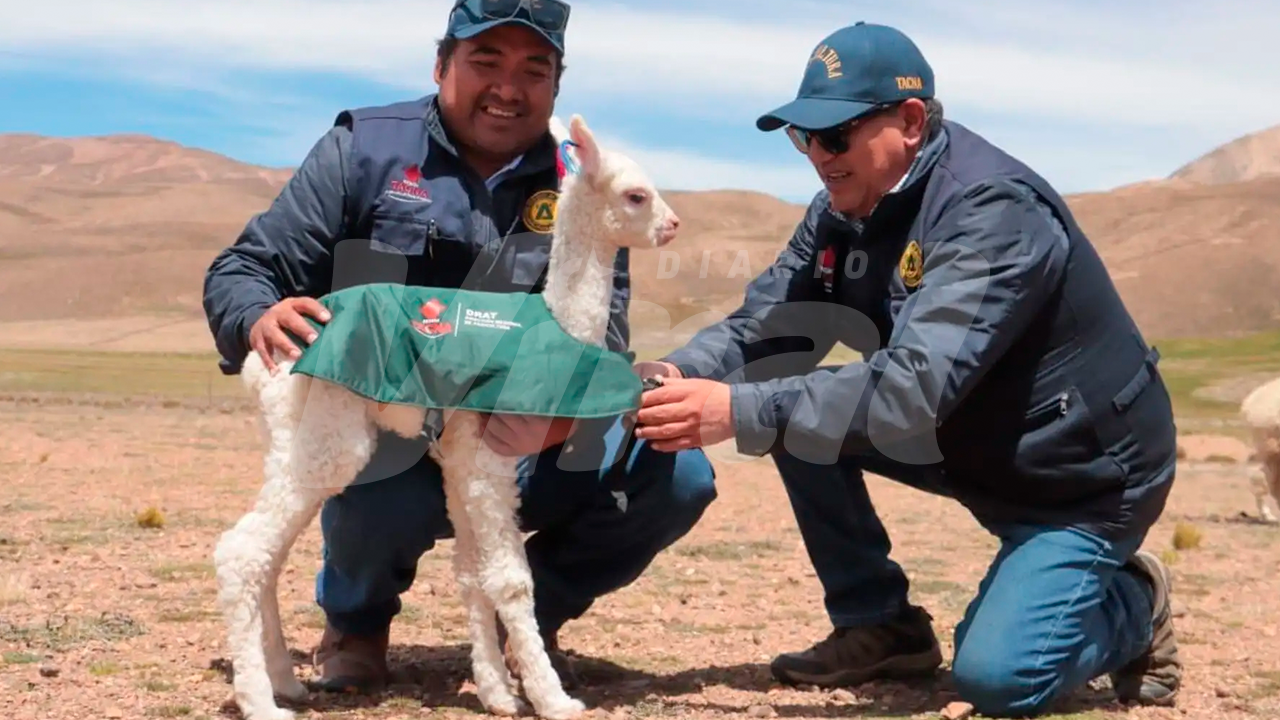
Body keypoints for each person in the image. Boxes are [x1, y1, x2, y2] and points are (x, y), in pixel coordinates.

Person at [632, 21, 1180, 718]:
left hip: (1078, 475)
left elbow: (914, 389)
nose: (818, 157)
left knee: (1000, 680)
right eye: (805, 139)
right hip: (966, 441)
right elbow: (765, 326)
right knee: (782, 408)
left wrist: (731, 410)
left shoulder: (993, 212)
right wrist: (674, 376)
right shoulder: (840, 212)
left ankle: (1134, 603)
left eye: (835, 137)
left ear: (910, 122)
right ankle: (879, 626)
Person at [202, 0, 716, 693]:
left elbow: (604, 335)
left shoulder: (582, 182)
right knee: (362, 471)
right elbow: (244, 268)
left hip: (524, 434)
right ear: (442, 63)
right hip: (395, 426)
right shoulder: (365, 149)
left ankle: (526, 621)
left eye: (534, 69)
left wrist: (561, 418)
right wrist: (258, 317)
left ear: (556, 85)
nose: (509, 88)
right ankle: (356, 624)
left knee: (676, 472)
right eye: (486, 61)